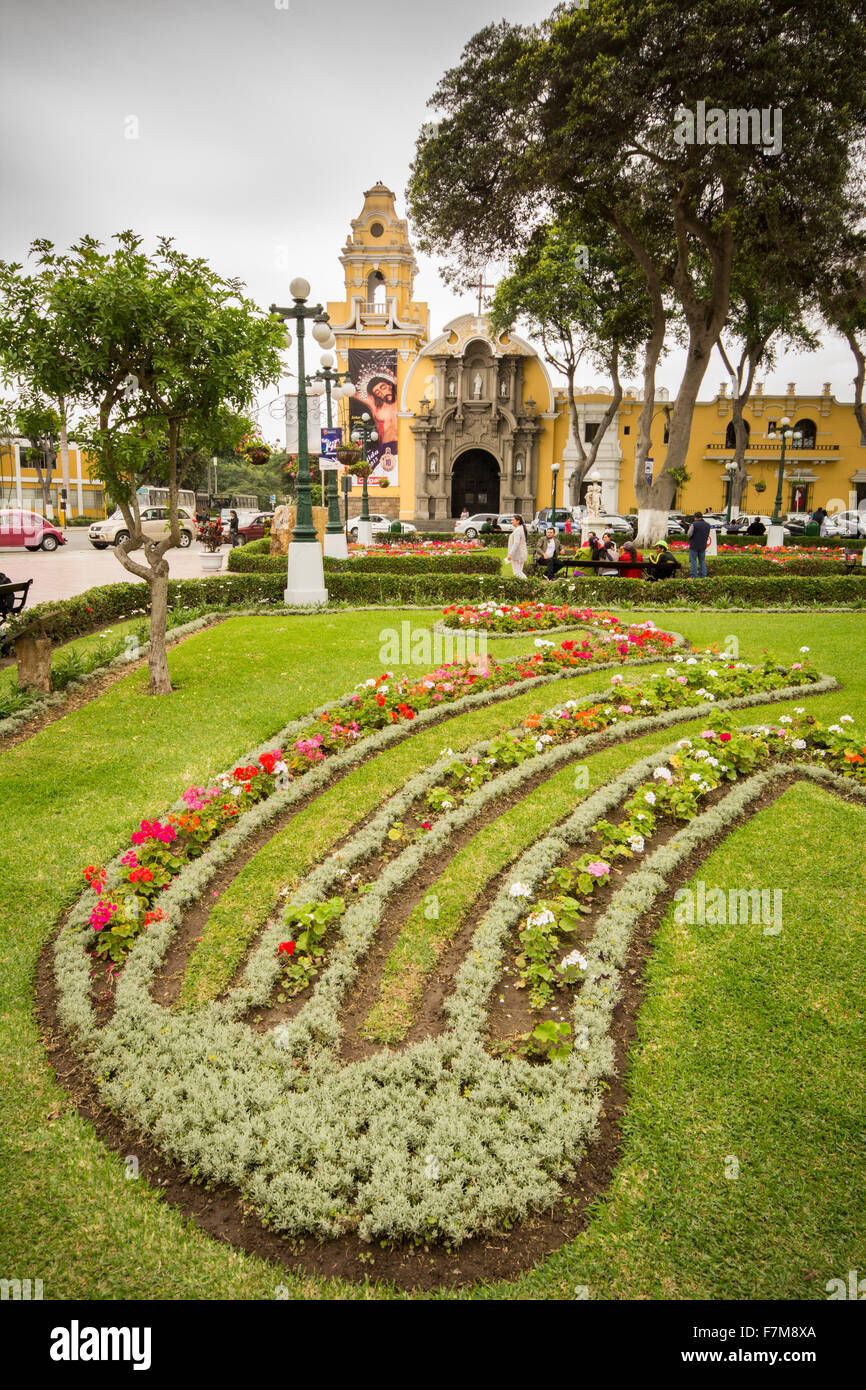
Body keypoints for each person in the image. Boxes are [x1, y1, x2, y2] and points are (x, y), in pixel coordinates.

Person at [687, 510, 711, 578]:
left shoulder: (694, 524)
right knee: (702, 561)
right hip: (703, 545)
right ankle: (703, 576)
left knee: (693, 561)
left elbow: (689, 534)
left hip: (694, 546)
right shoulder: (707, 525)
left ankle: (694, 576)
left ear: (695, 517)